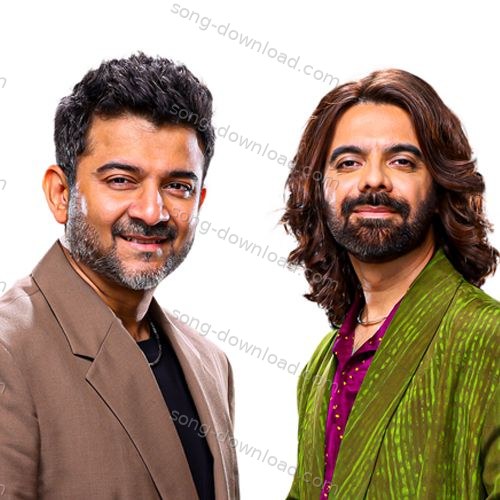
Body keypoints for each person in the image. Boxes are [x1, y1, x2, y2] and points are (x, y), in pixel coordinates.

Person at [0, 53, 239, 499]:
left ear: (199, 201)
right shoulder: (8, 351)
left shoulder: (211, 365)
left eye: (178, 186)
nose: (152, 212)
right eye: (121, 180)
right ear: (61, 192)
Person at [282, 69, 499, 499]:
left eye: (402, 161)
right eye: (348, 163)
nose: (373, 180)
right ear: (318, 190)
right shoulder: (321, 367)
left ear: (440, 187)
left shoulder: (488, 339)